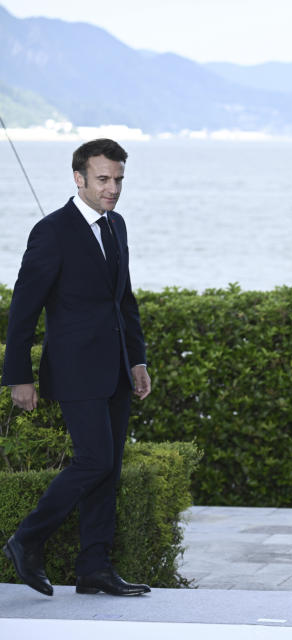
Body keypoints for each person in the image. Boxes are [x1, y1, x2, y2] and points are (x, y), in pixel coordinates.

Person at [1, 139, 152, 597]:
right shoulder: (52, 232)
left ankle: (94, 569)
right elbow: (23, 309)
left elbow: (123, 299)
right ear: (79, 178)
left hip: (117, 369)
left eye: (119, 179)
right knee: (94, 461)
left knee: (110, 468)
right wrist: (18, 376)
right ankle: (27, 539)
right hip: (75, 369)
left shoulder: (117, 225)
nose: (113, 189)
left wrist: (138, 359)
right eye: (104, 179)